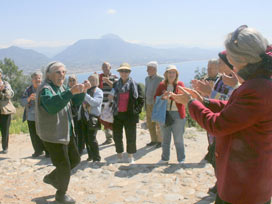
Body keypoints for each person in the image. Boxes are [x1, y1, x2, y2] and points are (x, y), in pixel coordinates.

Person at [171, 25, 272, 204]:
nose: (231, 64)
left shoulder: (257, 88)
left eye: (232, 59)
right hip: (241, 181)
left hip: (244, 188)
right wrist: (204, 101)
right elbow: (236, 108)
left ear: (244, 59)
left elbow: (217, 125)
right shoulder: (259, 83)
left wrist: (191, 103)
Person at [35, 61, 89, 204]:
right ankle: (61, 195)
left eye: (64, 72)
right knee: (64, 165)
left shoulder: (61, 87)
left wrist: (83, 91)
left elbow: (75, 102)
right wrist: (70, 91)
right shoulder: (45, 89)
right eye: (58, 72)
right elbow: (52, 106)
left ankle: (52, 177)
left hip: (65, 132)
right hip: (53, 135)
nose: (62, 75)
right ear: (49, 75)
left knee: (75, 160)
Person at [110, 63, 144, 164]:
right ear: (119, 72)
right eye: (122, 71)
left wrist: (135, 111)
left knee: (131, 136)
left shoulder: (135, 84)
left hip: (130, 115)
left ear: (129, 72)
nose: (124, 73)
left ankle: (130, 156)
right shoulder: (116, 84)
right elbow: (112, 97)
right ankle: (119, 157)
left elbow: (141, 100)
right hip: (117, 114)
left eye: (126, 71)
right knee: (117, 136)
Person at [154, 65, 186, 164]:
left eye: (173, 72)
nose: (171, 74)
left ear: (176, 74)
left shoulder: (180, 84)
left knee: (178, 139)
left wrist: (172, 96)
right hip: (165, 113)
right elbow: (155, 98)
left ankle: (181, 159)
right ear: (166, 74)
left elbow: (184, 99)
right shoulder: (161, 85)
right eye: (169, 72)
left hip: (178, 114)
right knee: (165, 138)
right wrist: (162, 97)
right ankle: (165, 158)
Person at [21, 71, 49, 158]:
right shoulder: (28, 90)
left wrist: (39, 98)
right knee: (34, 135)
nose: (38, 80)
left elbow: (49, 100)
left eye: (39, 78)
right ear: (32, 79)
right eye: (36, 78)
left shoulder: (45, 88)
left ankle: (48, 151)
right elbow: (22, 102)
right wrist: (29, 98)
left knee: (45, 134)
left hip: (43, 116)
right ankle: (38, 151)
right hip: (31, 116)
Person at [78, 73, 103, 162]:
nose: (91, 82)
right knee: (86, 138)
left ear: (97, 82)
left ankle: (97, 158)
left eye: (93, 80)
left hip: (93, 118)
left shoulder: (98, 91)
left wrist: (85, 94)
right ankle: (90, 156)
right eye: (90, 80)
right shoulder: (86, 91)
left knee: (92, 138)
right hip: (84, 117)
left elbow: (95, 103)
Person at [98, 62, 118, 145]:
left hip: (111, 103)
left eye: (106, 67)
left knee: (113, 121)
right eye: (103, 67)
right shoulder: (100, 77)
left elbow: (117, 87)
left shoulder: (115, 77)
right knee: (104, 120)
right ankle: (108, 138)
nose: (104, 69)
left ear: (110, 67)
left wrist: (108, 81)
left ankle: (116, 139)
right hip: (102, 102)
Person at [145, 61, 164, 148]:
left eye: (149, 69)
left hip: (157, 104)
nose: (147, 70)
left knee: (158, 123)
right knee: (150, 123)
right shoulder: (146, 79)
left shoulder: (161, 79)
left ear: (154, 69)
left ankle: (160, 141)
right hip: (148, 103)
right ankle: (153, 140)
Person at [0, 68, 15, 154]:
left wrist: (3, 90)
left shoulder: (6, 84)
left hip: (5, 110)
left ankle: (5, 147)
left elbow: (10, 94)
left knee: (5, 130)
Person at [67, 75, 83, 154]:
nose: (72, 82)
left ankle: (80, 148)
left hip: (79, 114)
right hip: (70, 115)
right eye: (70, 80)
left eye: (73, 80)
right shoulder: (66, 90)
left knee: (79, 131)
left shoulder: (80, 90)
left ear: (76, 81)